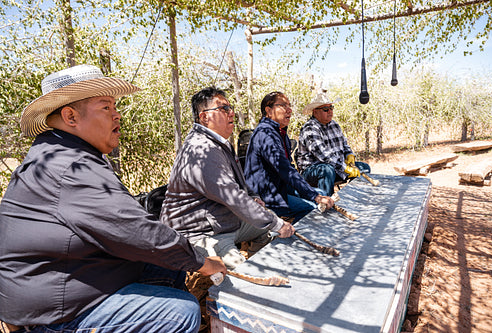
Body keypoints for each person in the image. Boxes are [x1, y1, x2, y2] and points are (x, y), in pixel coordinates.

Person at [0, 64, 226, 333]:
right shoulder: (70, 167)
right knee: (179, 313)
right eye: (106, 107)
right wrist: (202, 261)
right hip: (52, 312)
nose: (117, 116)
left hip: (66, 281)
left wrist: (185, 256)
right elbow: (135, 229)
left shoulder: (59, 152)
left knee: (169, 265)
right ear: (70, 116)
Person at [160, 87, 295, 270]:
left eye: (229, 107)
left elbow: (239, 184)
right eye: (223, 109)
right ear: (204, 117)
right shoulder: (202, 150)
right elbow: (232, 196)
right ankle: (242, 284)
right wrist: (276, 223)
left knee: (266, 226)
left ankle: (263, 267)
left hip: (223, 222)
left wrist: (253, 196)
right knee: (242, 276)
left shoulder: (220, 143)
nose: (231, 112)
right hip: (199, 233)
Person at [244, 91, 336, 222]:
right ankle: (295, 240)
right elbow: (285, 170)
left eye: (289, 105)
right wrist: (314, 196)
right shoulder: (265, 134)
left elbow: (289, 168)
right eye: (283, 106)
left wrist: (315, 194)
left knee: (323, 193)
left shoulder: (280, 132)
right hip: (266, 195)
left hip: (281, 187)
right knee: (312, 209)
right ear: (269, 111)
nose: (289, 110)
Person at [296, 92, 371, 196]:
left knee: (363, 167)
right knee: (326, 170)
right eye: (326, 109)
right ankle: (326, 205)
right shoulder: (309, 129)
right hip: (313, 170)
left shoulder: (334, 125)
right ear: (315, 112)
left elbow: (344, 144)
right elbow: (324, 156)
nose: (330, 111)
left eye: (331, 108)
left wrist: (349, 155)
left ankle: (356, 199)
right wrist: (345, 168)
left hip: (336, 167)